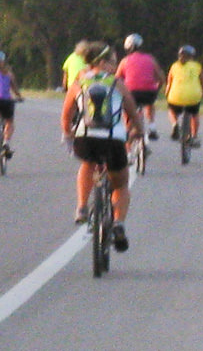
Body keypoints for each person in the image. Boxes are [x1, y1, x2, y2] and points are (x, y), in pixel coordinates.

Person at [61, 42, 143, 252]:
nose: (116, 66)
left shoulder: (79, 81)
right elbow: (133, 113)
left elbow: (67, 113)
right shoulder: (116, 83)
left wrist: (68, 135)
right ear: (103, 62)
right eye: (113, 62)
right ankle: (118, 224)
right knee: (121, 184)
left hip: (85, 139)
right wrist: (138, 132)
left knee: (88, 164)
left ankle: (81, 207)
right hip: (113, 140)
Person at [115, 33, 166, 140]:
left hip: (132, 93)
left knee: (128, 110)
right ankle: (152, 126)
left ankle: (128, 134)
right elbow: (161, 78)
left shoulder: (125, 61)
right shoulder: (150, 58)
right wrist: (157, 88)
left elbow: (117, 79)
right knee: (149, 103)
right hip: (149, 93)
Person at [165, 45, 203, 147]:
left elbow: (169, 84)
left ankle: (175, 124)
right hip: (193, 96)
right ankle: (194, 136)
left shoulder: (174, 66)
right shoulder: (197, 66)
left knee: (171, 110)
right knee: (195, 114)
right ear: (192, 56)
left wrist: (167, 94)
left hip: (175, 96)